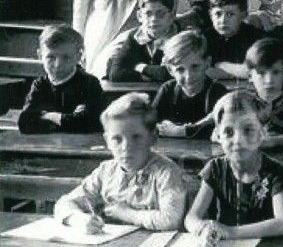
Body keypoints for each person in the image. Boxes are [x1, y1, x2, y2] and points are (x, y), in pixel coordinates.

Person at [54, 93, 186, 232]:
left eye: (136, 137)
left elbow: (171, 220)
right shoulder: (105, 171)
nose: (126, 147)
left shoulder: (166, 172)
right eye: (117, 139)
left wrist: (126, 214)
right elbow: (64, 203)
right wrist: (79, 219)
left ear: (153, 137)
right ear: (107, 141)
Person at [185, 90, 283, 247]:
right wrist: (204, 229)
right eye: (228, 132)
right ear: (217, 136)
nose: (238, 140)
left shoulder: (273, 171)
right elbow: (191, 218)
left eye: (248, 130)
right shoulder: (215, 168)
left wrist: (230, 232)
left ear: (262, 134)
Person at [18, 24, 104, 134]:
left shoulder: (90, 83)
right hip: (46, 146)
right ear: (40, 56)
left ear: (78, 56)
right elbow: (24, 122)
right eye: (51, 57)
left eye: (66, 57)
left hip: (81, 147)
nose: (58, 65)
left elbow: (88, 124)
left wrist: (45, 115)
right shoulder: (39, 84)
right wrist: (69, 119)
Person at [152, 30, 227, 139]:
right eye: (180, 69)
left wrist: (181, 131)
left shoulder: (217, 92)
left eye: (195, 67)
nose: (188, 76)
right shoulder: (168, 90)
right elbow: (149, 124)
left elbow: (220, 130)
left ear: (207, 63)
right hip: (171, 153)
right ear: (170, 70)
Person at [106, 0, 180, 82]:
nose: (154, 19)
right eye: (148, 14)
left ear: (172, 15)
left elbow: (171, 74)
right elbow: (116, 73)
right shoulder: (136, 37)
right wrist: (144, 76)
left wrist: (140, 67)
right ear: (140, 16)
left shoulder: (180, 37)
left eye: (160, 13)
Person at [244, 38, 283, 149]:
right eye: (261, 73)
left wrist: (269, 142)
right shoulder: (243, 103)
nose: (269, 80)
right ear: (250, 76)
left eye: (276, 72)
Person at [204, 0, 265, 80]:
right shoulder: (204, 38)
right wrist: (236, 72)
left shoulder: (254, 36)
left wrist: (221, 65)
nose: (223, 20)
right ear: (210, 15)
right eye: (218, 14)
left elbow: (255, 71)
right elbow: (200, 71)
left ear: (243, 15)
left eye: (230, 14)